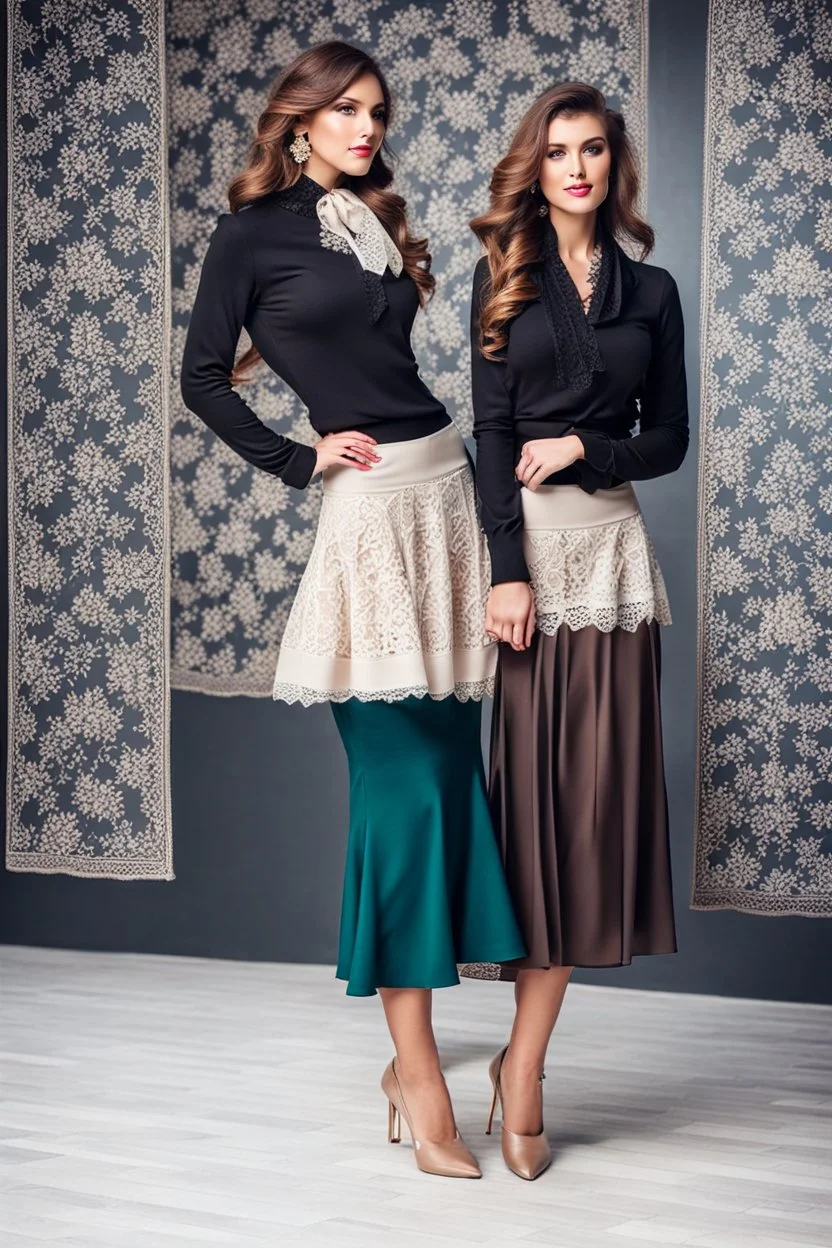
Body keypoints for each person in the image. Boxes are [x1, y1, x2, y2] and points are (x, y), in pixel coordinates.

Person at [180, 40, 525, 1180]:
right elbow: (200, 375)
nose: (367, 126)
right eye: (345, 111)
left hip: (444, 501)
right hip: (371, 515)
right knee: (400, 795)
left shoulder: (374, 220)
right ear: (298, 121)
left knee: (449, 775)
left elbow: (402, 364)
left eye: (377, 110)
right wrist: (294, 458)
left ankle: (407, 1067)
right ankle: (419, 1079)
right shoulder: (252, 234)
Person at [463, 82, 688, 1181]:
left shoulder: (652, 292)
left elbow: (669, 442)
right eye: (557, 152)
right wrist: (504, 574)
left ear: (614, 166)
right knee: (530, 833)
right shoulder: (504, 278)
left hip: (613, 568)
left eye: (594, 150)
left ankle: (523, 1063)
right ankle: (508, 1069)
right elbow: (491, 435)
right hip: (531, 576)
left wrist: (585, 452)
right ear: (535, 166)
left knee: (588, 828)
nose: (578, 168)